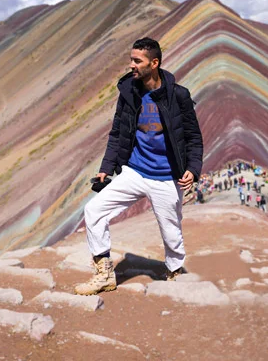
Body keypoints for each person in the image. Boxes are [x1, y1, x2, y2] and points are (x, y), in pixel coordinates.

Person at [75, 38, 204, 295]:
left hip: (167, 177)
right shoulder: (129, 93)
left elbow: (193, 137)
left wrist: (193, 167)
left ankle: (174, 271)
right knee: (94, 211)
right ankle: (104, 274)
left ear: (154, 63)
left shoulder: (178, 96)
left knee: (171, 232)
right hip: (134, 171)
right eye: (131, 59)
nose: (131, 65)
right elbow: (116, 134)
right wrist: (107, 168)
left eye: (137, 61)